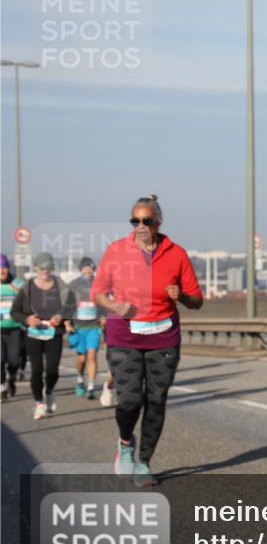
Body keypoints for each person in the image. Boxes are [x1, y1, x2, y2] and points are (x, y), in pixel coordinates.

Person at [91, 195, 203, 486]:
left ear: (158, 222)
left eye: (146, 220)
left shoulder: (176, 253)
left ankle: (144, 462)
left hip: (163, 337)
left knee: (156, 401)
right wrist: (113, 306)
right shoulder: (116, 251)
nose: (140, 226)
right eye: (135, 221)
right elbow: (98, 292)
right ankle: (126, 443)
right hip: (124, 335)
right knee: (129, 400)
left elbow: (197, 300)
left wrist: (182, 296)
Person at [10, 252, 76, 419]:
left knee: (52, 371)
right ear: (36, 269)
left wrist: (62, 316)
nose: (46, 271)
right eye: (42, 268)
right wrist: (27, 319)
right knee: (37, 370)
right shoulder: (28, 287)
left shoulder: (61, 286)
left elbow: (71, 307)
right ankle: (39, 404)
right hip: (33, 335)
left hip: (54, 334)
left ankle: (49, 391)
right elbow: (14, 312)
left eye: (49, 268)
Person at [66, 257, 104, 399]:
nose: (88, 270)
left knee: (92, 355)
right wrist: (67, 323)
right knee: (82, 358)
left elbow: (103, 302)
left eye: (91, 267)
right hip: (78, 327)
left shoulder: (99, 283)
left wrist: (104, 316)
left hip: (94, 326)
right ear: (81, 269)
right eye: (85, 268)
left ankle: (91, 387)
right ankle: (80, 379)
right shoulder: (73, 285)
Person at [1, 254, 24, 401]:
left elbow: (28, 301)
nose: (1, 271)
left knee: (14, 361)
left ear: (8, 269)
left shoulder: (17, 284)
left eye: (3, 268)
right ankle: (2, 387)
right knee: (0, 360)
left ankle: (12, 377)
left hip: (15, 328)